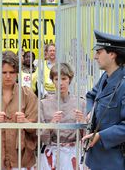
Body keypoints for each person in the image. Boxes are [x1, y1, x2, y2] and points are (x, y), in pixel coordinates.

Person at [0, 51, 38, 169]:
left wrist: (25, 122)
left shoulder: (27, 94)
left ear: (17, 72)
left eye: (12, 72)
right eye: (4, 72)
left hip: (21, 157)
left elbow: (36, 127)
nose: (8, 76)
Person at [83, 30, 125, 169]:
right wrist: (90, 112)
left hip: (114, 160)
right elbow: (91, 96)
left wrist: (101, 136)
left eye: (99, 52)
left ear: (112, 54)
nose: (95, 57)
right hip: (96, 158)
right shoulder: (106, 77)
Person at [39, 63, 85, 170]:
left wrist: (82, 122)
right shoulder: (44, 103)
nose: (60, 83)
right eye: (56, 79)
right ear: (52, 81)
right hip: (52, 152)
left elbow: (87, 136)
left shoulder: (81, 103)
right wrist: (51, 124)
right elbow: (40, 136)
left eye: (64, 78)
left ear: (70, 79)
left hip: (74, 152)